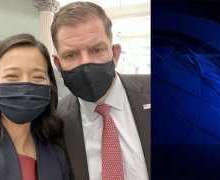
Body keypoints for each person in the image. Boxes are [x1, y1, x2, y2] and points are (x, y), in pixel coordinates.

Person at [51, 2, 150, 180]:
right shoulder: (56, 122)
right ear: (58, 64)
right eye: (71, 55)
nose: (85, 64)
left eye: (97, 50)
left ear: (115, 54)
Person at [0, 33, 69, 180]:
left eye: (38, 77)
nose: (25, 86)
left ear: (49, 86)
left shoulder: (58, 158)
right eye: (12, 76)